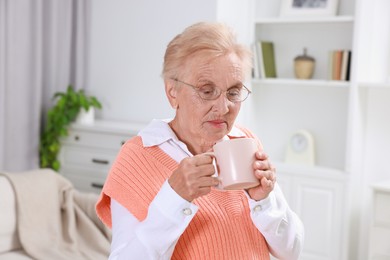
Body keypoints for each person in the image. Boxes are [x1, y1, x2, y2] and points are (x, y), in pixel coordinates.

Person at [96, 22, 304, 260]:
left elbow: (291, 251)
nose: (224, 107)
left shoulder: (246, 142)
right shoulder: (138, 156)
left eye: (234, 92)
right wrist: (174, 197)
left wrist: (264, 201)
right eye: (207, 91)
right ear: (172, 92)